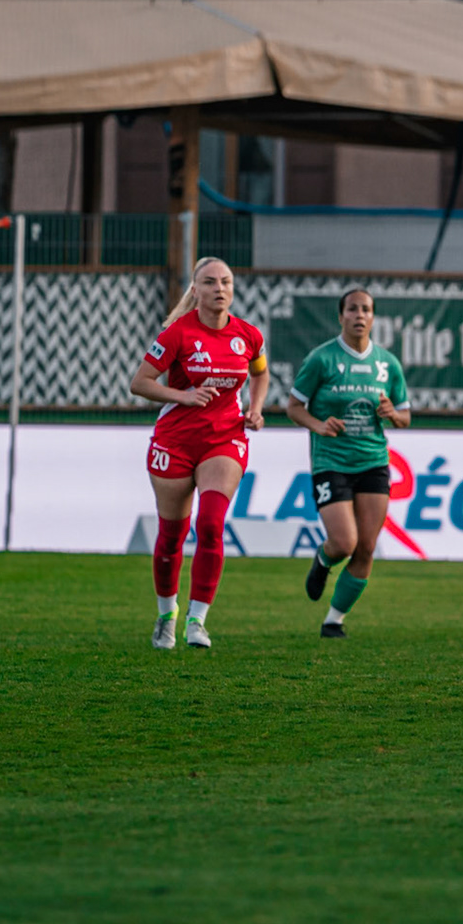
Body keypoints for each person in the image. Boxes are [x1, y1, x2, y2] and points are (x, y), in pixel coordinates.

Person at [130, 257, 267, 652]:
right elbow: (140, 383)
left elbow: (260, 373)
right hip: (174, 442)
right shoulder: (178, 333)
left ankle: (197, 621)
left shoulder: (248, 335)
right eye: (210, 282)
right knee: (172, 535)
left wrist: (255, 408)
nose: (219, 289)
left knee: (210, 524)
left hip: (224, 439)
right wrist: (184, 396)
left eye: (226, 281)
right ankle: (165, 616)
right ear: (196, 290)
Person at [286, 288, 412, 638]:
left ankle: (334, 620)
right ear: (340, 316)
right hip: (331, 461)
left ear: (373, 317)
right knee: (344, 542)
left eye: (366, 309)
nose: (359, 315)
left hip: (372, 461)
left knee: (367, 547)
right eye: (352, 309)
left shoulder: (387, 364)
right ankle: (324, 560)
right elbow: (294, 408)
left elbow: (405, 415)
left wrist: (393, 415)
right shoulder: (321, 359)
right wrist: (318, 425)